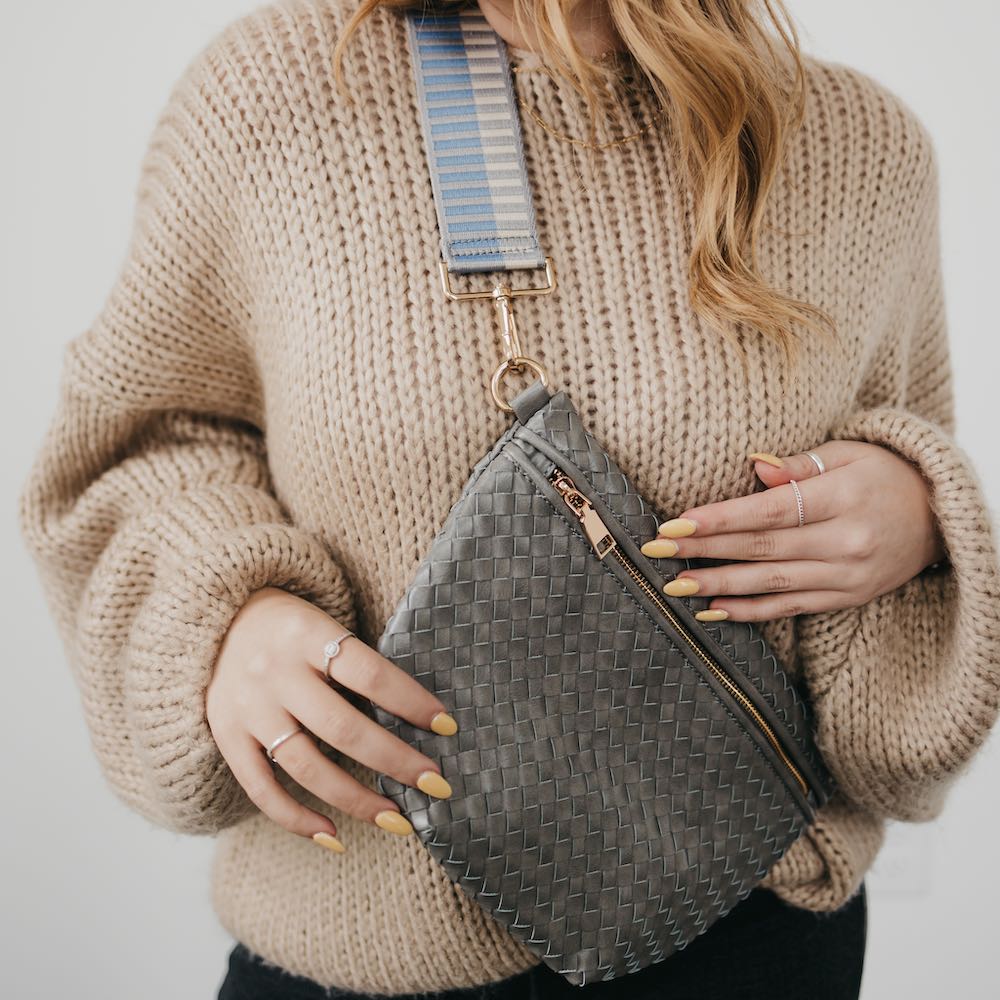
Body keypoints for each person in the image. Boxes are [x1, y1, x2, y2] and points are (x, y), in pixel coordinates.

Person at [18, 0, 1000, 997]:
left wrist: (919, 515)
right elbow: (142, 445)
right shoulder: (274, 98)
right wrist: (227, 614)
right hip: (359, 944)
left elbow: (883, 692)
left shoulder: (863, 148)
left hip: (746, 939)